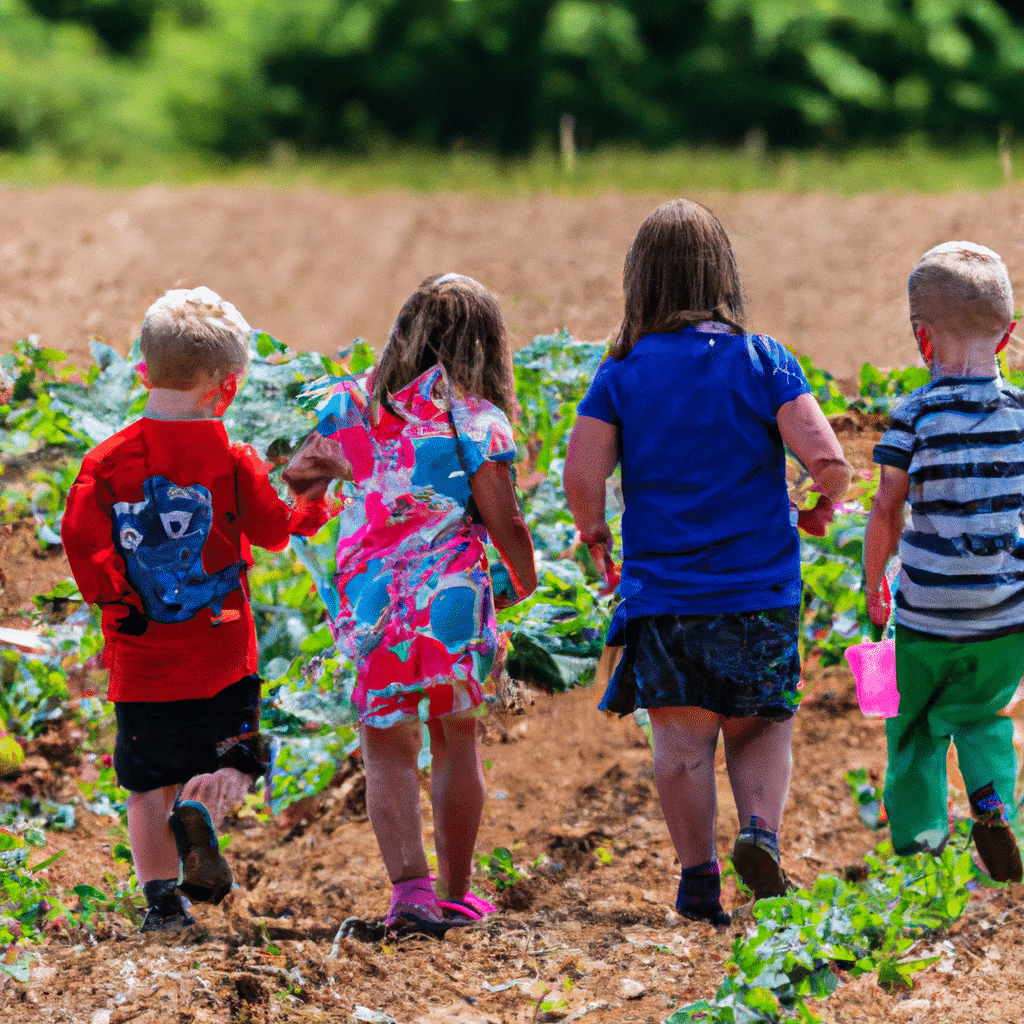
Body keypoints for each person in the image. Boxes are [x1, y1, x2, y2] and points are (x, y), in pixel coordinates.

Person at [562, 199, 851, 926]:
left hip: (667, 594)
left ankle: (698, 879)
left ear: (641, 282)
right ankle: (760, 832)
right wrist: (819, 505)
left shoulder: (622, 372)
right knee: (761, 725)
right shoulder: (762, 361)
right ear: (724, 276)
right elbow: (827, 457)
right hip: (758, 590)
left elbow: (582, 470)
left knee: (682, 743)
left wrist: (594, 530)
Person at [62, 287, 336, 932]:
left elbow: (80, 539)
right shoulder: (233, 459)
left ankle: (162, 902)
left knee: (143, 784)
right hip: (222, 654)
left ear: (141, 372)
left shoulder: (104, 464)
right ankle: (201, 804)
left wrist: (115, 602)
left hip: (141, 659)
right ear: (229, 389)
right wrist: (312, 494)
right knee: (236, 756)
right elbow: (275, 531)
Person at [287, 273, 538, 936]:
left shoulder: (348, 406)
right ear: (486, 347)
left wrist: (329, 487)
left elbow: (300, 477)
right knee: (457, 740)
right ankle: (456, 892)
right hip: (449, 607)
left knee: (386, 749)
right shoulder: (476, 419)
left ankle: (411, 893)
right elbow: (503, 514)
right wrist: (527, 574)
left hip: (371, 613)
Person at [863, 241, 1024, 882]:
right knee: (982, 717)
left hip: (927, 616)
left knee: (911, 731)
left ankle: (922, 846)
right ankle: (990, 805)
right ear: (1008, 336)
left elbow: (885, 510)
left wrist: (874, 582)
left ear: (921, 340)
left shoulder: (915, 414)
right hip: (1005, 620)